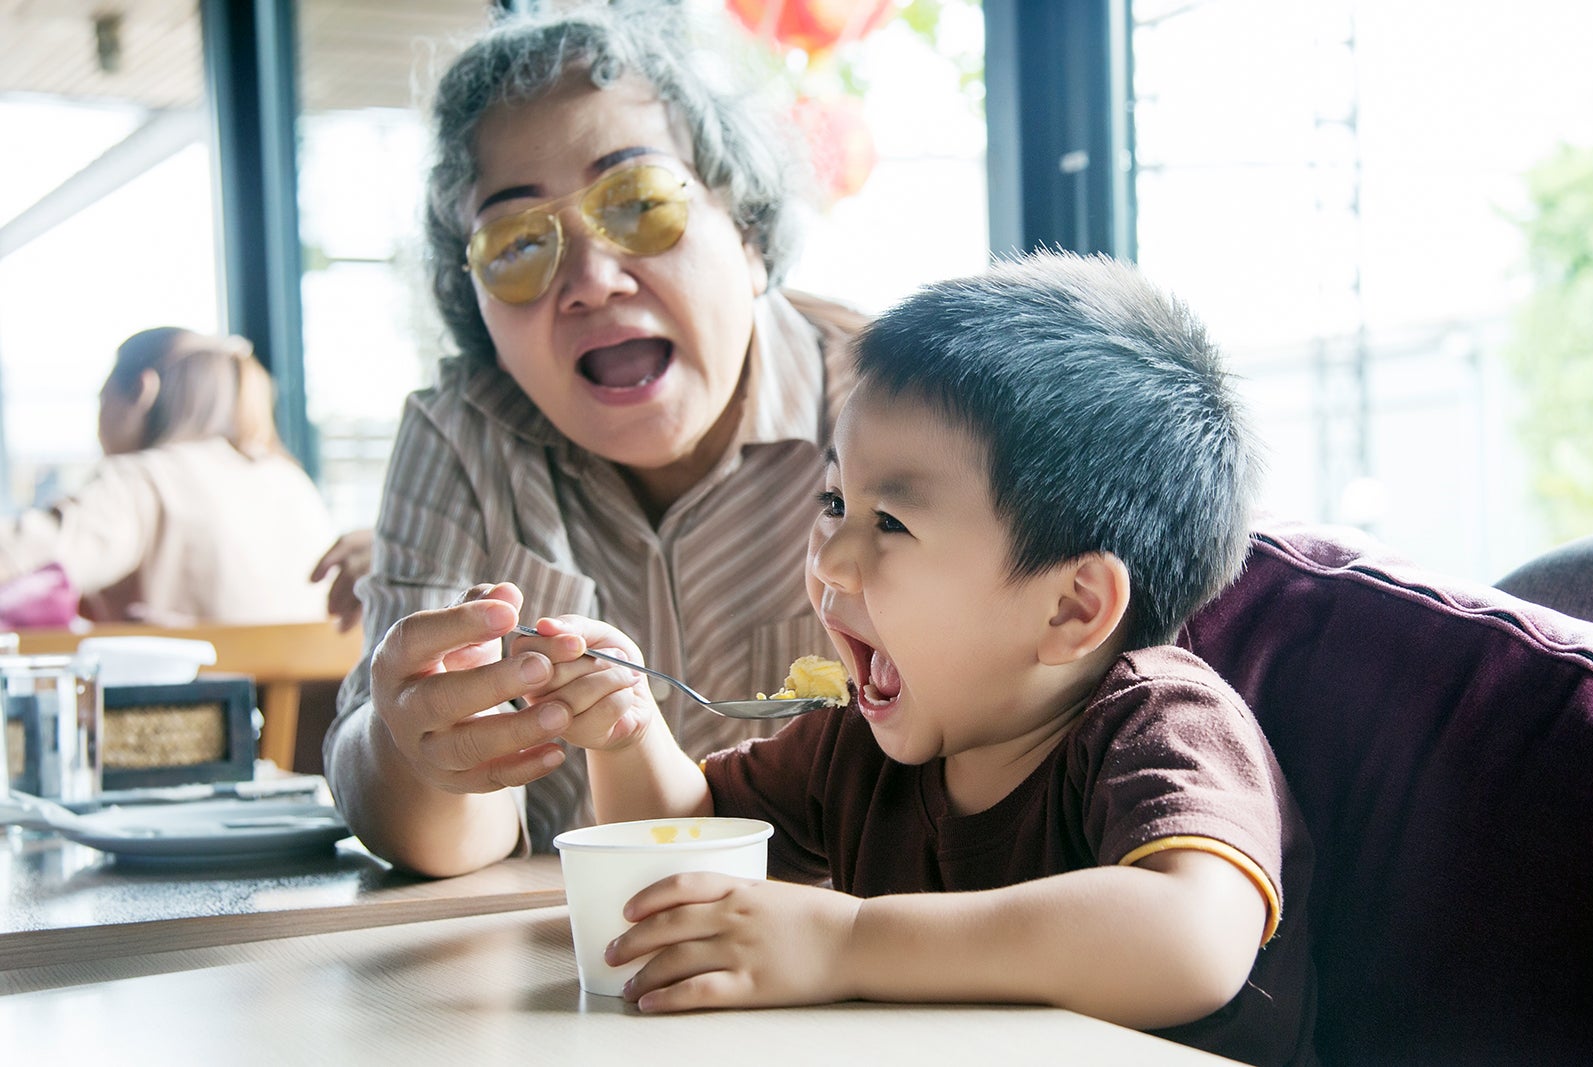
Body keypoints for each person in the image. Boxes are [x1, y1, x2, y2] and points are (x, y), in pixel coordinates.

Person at [525, 251, 1316, 1066]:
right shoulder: (862, 742)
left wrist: (850, 941)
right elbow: (688, 842)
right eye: (834, 501)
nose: (830, 559)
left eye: (890, 521)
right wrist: (624, 731)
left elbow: (1189, 939)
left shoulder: (1161, 720)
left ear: (1073, 607)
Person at [322, 2, 865, 876]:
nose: (588, 279)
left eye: (641, 202)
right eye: (516, 245)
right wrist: (407, 744)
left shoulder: (896, 406)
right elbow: (441, 839)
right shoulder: (465, 435)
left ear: (751, 236)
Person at [0, 327, 337, 626]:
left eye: (103, 399)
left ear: (141, 391)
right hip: (306, 698)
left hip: (195, 698)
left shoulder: (143, 478)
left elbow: (21, 556)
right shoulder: (292, 481)